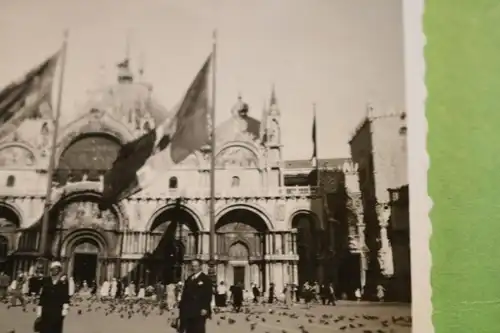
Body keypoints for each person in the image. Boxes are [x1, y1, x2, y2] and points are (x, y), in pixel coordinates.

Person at [179, 259, 212, 333]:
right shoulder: (189, 278)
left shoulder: (206, 279)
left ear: (200, 266)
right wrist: (181, 306)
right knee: (189, 330)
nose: (193, 268)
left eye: (196, 266)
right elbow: (185, 294)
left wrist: (205, 308)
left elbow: (208, 294)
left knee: (198, 329)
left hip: (199, 309)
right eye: (192, 266)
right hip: (187, 309)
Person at [37, 261, 70, 333]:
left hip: (57, 310)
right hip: (46, 310)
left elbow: (65, 295)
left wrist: (65, 308)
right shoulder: (46, 280)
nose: (54, 270)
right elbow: (43, 295)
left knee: (56, 329)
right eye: (52, 269)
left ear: (59, 270)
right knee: (44, 329)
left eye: (56, 269)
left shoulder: (63, 282)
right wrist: (39, 309)